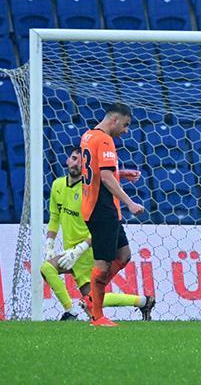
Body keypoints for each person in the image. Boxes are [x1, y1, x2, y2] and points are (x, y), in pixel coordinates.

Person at [42, 146, 155, 321]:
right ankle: (143, 301)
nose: (76, 163)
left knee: (48, 269)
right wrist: (49, 243)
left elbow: (101, 227)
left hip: (86, 250)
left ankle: (70, 312)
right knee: (91, 298)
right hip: (70, 249)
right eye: (73, 158)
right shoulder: (57, 185)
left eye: (81, 161)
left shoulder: (91, 190)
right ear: (67, 160)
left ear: (87, 167)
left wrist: (78, 250)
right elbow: (55, 217)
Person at [80, 103, 146, 327]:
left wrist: (120, 173)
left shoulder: (88, 136)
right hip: (102, 209)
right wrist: (130, 202)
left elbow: (94, 169)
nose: (126, 131)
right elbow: (106, 178)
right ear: (115, 120)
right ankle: (97, 316)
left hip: (98, 207)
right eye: (125, 125)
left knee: (124, 255)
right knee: (103, 264)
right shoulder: (105, 140)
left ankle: (92, 298)